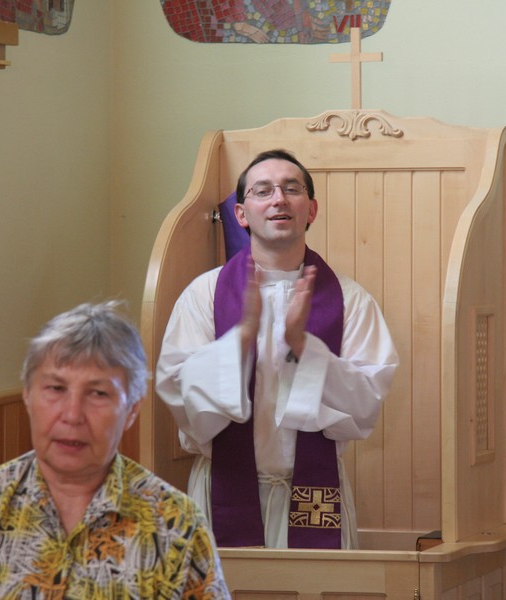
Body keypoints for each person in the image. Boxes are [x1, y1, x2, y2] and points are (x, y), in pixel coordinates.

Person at [0, 301, 231, 599]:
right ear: (27, 395)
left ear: (132, 411)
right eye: (55, 389)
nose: (72, 415)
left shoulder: (176, 524)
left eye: (98, 394)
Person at [155, 149, 398, 550]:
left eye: (292, 189)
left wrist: (304, 347)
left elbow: (366, 400)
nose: (278, 199)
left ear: (311, 209)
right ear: (241, 214)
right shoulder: (204, 294)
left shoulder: (350, 299)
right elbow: (179, 393)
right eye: (263, 191)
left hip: (316, 496)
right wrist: (241, 340)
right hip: (222, 495)